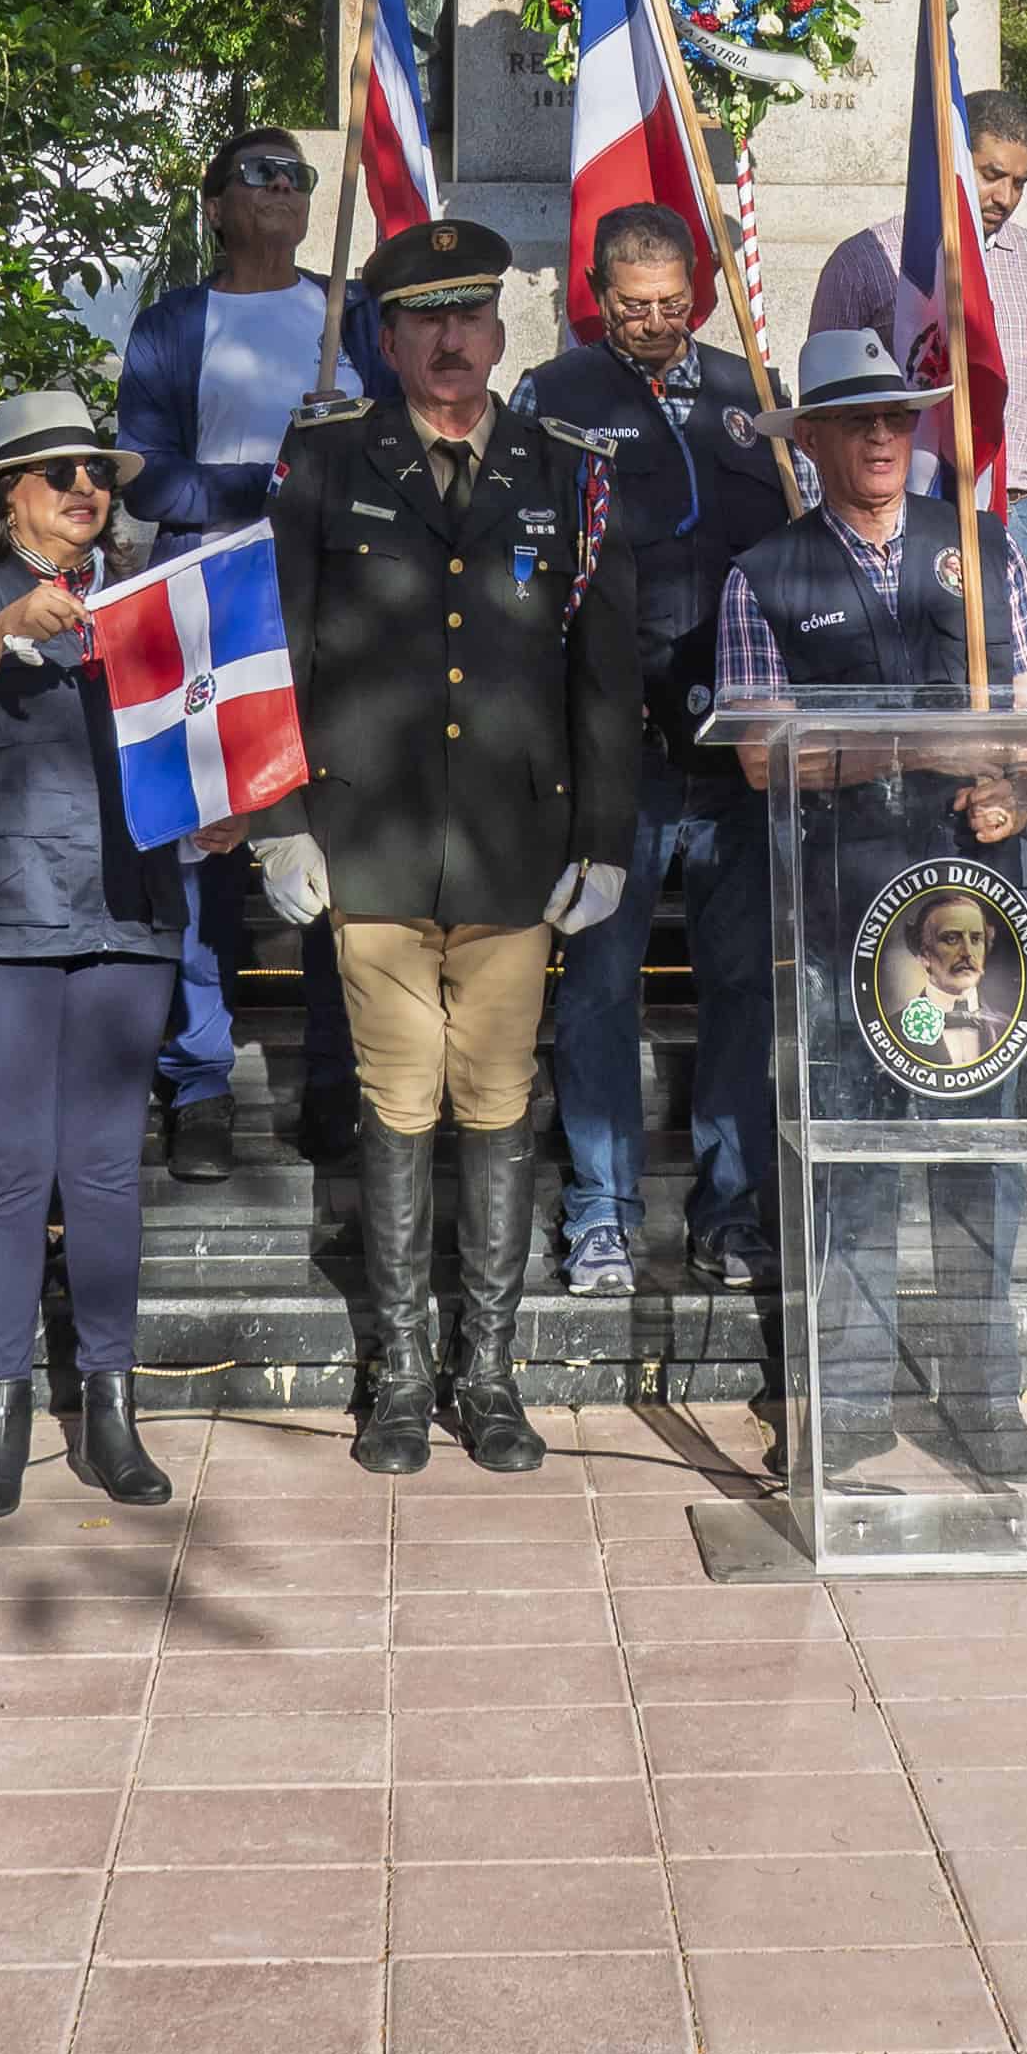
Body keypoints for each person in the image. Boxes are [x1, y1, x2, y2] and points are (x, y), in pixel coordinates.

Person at [263, 219, 646, 1478]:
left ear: (500, 333)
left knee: (492, 1106)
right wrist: (278, 816)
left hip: (514, 852)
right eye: (421, 319)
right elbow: (280, 647)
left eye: (468, 316)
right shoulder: (326, 461)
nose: (446, 340)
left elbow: (605, 678)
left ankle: (488, 1376)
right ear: (386, 339)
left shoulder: (569, 470)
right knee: (395, 1101)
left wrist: (601, 838)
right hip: (368, 842)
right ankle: (399, 1376)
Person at [716, 329, 1027, 1488]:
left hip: (978, 915)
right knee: (849, 1164)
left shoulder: (984, 549)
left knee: (981, 1161)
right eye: (857, 419)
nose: (881, 436)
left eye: (898, 417)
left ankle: (983, 1393)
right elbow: (767, 761)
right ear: (811, 439)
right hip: (839, 914)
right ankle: (851, 1399)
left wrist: (1017, 783)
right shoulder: (762, 572)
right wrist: (918, 745)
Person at [0, 391, 185, 1516]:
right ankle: (3, 1419)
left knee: (108, 1169)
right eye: (58, 472)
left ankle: (110, 1411)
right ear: (2, 493)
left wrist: (219, 809)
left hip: (128, 903)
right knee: (15, 1166)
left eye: (97, 474)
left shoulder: (145, 596)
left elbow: (192, 733)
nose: (85, 490)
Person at [514, 207, 793, 1288]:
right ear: (596, 294)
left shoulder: (746, 396)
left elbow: (789, 557)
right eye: (634, 308)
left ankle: (731, 1215)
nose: (657, 324)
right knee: (596, 986)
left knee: (738, 988)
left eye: (674, 304)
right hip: (612, 757)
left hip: (734, 756)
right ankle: (600, 1213)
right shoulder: (556, 396)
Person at [121, 127, 362, 1181]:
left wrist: (329, 477)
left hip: (333, 617)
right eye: (258, 175)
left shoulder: (345, 320)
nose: (282, 189)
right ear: (214, 204)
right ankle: (201, 1081)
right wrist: (271, 485)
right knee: (203, 851)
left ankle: (338, 1080)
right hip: (211, 612)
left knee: (332, 847)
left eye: (297, 176)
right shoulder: (178, 325)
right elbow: (146, 479)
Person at [807, 85, 1027, 540]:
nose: (1004, 197)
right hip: (904, 518)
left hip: (1022, 519)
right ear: (956, 162)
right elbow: (824, 407)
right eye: (991, 174)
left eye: (1019, 182)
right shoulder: (864, 261)